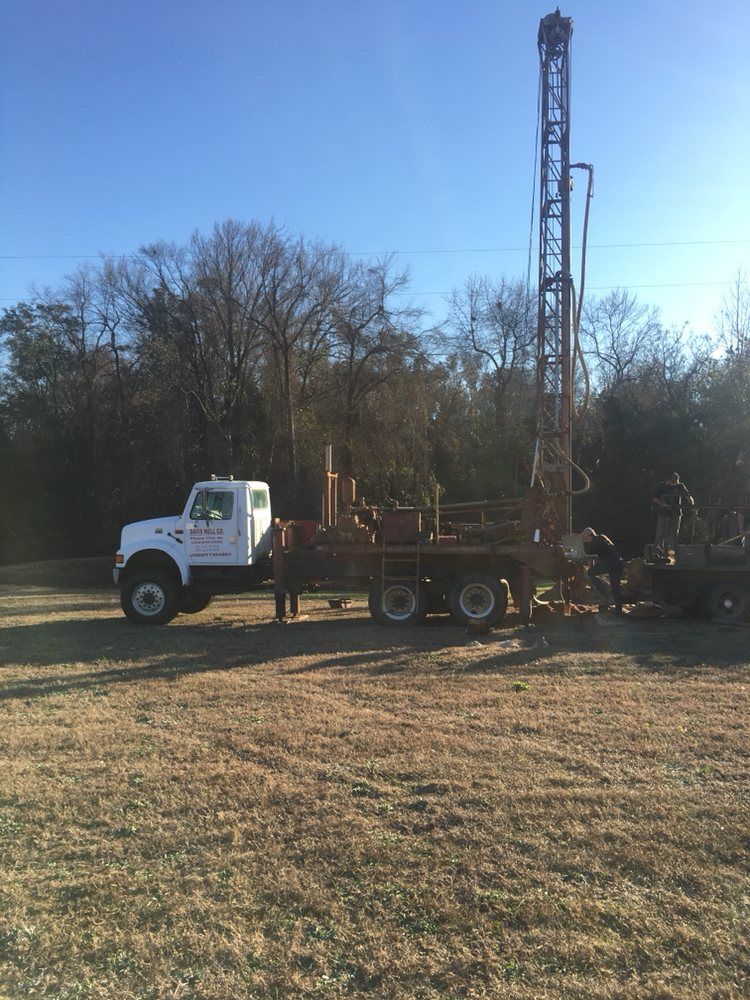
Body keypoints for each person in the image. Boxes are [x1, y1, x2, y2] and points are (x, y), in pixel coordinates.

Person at [580, 526, 624, 614]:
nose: (584, 539)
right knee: (616, 588)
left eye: (585, 537)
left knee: (590, 573)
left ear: (589, 535)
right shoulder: (602, 537)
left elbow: (589, 556)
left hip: (610, 563)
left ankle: (604, 592)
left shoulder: (594, 541)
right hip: (618, 563)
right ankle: (618, 611)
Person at [652, 473, 693, 555]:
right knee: (661, 533)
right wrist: (662, 503)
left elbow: (688, 496)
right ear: (668, 480)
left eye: (676, 482)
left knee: (674, 533)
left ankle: (672, 552)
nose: (675, 484)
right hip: (663, 513)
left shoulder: (680, 486)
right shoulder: (662, 486)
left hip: (676, 513)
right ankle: (658, 552)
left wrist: (692, 504)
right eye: (673, 482)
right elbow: (655, 498)